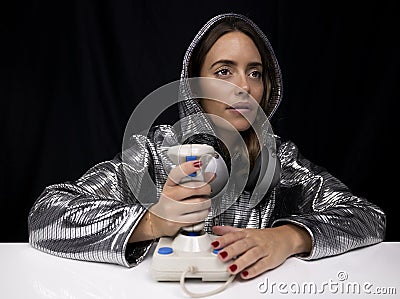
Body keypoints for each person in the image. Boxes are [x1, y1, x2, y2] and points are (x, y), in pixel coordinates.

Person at [28, 13, 386, 280]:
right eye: (224, 71)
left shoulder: (282, 162)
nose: (243, 86)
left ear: (268, 87)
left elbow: (368, 217)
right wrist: (152, 221)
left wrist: (288, 238)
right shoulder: (152, 154)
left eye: (255, 72)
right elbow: (45, 217)